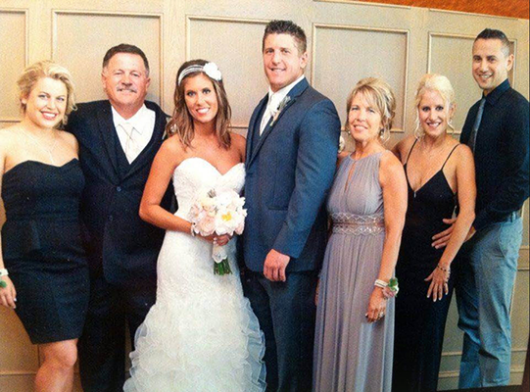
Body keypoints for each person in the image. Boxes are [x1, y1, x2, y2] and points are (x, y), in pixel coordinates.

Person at [123, 59, 266, 392]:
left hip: (223, 257)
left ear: (219, 94)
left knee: (222, 335)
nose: (199, 100)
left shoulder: (241, 144)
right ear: (182, 99)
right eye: (191, 93)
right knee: (185, 341)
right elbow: (148, 208)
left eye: (206, 91)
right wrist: (196, 229)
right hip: (184, 256)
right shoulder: (173, 146)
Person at [241, 20, 341, 391]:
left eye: (285, 51)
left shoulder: (317, 109)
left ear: (303, 58)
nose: (276, 59)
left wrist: (284, 246)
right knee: (269, 357)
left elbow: (311, 187)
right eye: (269, 51)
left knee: (293, 364)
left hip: (289, 262)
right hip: (255, 257)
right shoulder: (261, 107)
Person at [66, 44, 173, 392]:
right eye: (118, 72)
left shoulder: (168, 126)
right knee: (98, 362)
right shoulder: (79, 118)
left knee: (152, 361)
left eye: (135, 73)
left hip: (150, 267)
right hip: (95, 266)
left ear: (147, 81)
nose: (126, 80)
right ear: (103, 79)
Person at [431, 28, 529, 388]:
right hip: (469, 232)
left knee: (494, 335)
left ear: (509, 61)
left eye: (491, 58)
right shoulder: (475, 111)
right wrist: (461, 221)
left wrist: (475, 223)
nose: (483, 66)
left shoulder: (519, 109)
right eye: (477, 58)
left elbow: (523, 181)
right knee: (471, 327)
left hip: (497, 232)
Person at [313, 77, 407, 392]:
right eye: (355, 108)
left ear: (384, 120)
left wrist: (382, 289)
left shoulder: (389, 165)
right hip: (335, 267)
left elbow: (395, 232)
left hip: (370, 272)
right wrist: (321, 280)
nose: (359, 116)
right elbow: (328, 225)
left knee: (360, 352)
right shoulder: (339, 162)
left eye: (370, 110)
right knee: (332, 347)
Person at [0, 61, 89, 392]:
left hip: (73, 262)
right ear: (24, 97)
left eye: (60, 99)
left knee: (67, 356)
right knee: (63, 356)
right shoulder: (4, 141)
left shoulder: (71, 142)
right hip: (30, 261)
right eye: (43, 96)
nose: (51, 106)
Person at [391, 74, 476, 392]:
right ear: (418, 110)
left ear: (451, 110)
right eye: (426, 108)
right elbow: (376, 163)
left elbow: (467, 213)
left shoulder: (461, 155)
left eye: (439, 108)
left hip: (434, 267)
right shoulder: (405, 146)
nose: (433, 116)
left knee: (424, 347)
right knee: (397, 343)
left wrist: (444, 266)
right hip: (400, 263)